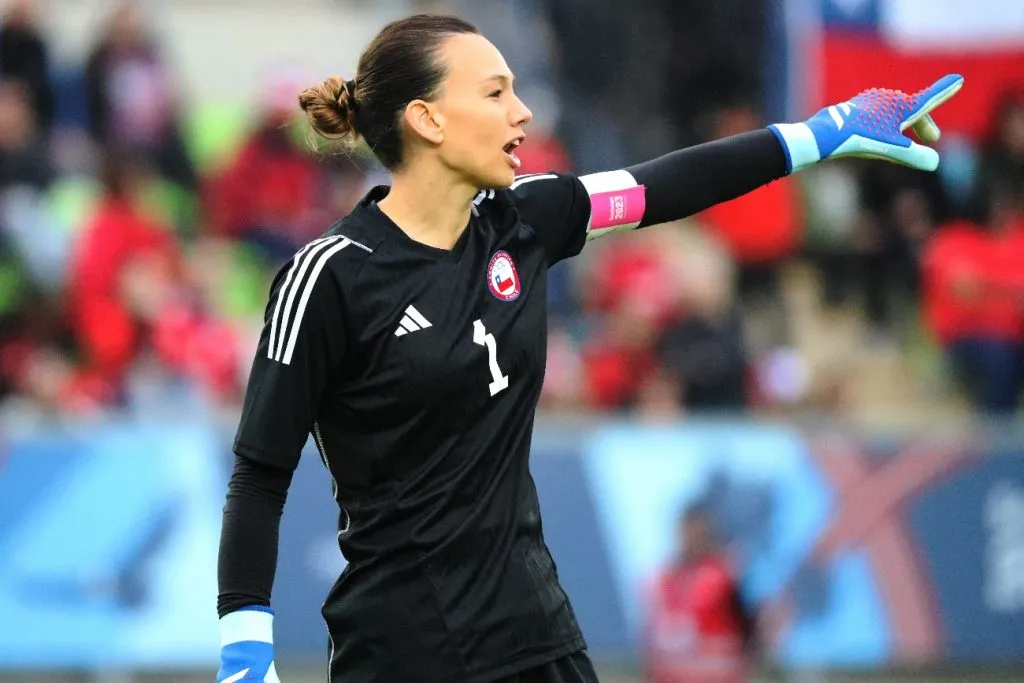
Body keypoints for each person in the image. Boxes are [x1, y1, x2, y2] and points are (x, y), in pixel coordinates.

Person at [215, 13, 963, 683]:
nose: (523, 111)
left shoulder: (524, 220)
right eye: (496, 92)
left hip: (538, 636)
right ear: (428, 119)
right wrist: (246, 652)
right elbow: (259, 471)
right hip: (406, 651)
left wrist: (827, 130)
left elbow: (666, 184)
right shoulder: (330, 275)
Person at [643, 506, 756, 683]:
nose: (692, 539)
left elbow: (748, 629)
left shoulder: (725, 576)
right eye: (687, 532)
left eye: (698, 533)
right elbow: (654, 637)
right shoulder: (664, 580)